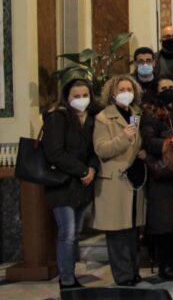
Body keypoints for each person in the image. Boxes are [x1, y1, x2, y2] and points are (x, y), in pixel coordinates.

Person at [42, 78, 99, 290]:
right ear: (67, 98)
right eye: (76, 96)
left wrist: (92, 168)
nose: (81, 100)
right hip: (63, 183)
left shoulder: (91, 119)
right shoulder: (58, 117)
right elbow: (55, 152)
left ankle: (70, 274)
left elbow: (95, 149)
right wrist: (83, 170)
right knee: (67, 231)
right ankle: (66, 279)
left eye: (85, 95)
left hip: (83, 184)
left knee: (75, 233)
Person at [93, 74, 147, 286]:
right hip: (114, 181)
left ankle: (133, 271)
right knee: (117, 232)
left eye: (129, 89)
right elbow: (101, 149)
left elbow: (138, 142)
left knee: (132, 229)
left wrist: (141, 151)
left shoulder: (136, 114)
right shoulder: (103, 118)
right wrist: (123, 137)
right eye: (121, 89)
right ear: (113, 93)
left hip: (133, 180)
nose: (126, 93)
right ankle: (123, 276)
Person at [140, 76, 173, 281]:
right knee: (163, 224)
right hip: (160, 173)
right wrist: (170, 142)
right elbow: (149, 141)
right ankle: (165, 265)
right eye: (164, 87)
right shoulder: (150, 113)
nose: (168, 90)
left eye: (171, 86)